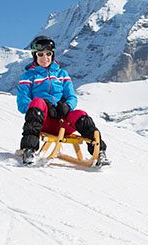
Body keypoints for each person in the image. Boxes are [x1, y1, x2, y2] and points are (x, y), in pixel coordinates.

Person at [16, 36, 109, 167]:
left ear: (52, 55)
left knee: (80, 114)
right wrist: (42, 105)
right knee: (37, 101)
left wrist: (66, 106)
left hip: (62, 123)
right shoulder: (28, 76)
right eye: (40, 54)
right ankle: (29, 150)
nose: (45, 58)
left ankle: (99, 153)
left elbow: (72, 96)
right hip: (42, 122)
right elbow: (22, 103)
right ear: (35, 56)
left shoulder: (62, 74)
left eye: (48, 54)